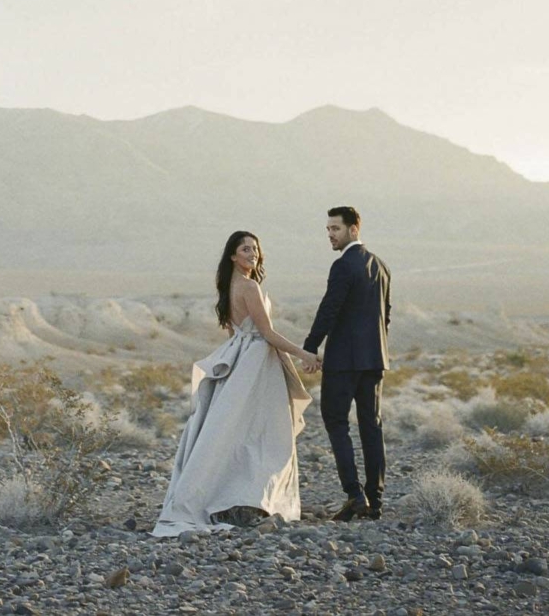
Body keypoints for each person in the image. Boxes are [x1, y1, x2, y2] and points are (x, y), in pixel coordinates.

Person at [151, 230, 319, 536]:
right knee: (264, 432)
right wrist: (302, 352)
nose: (252, 253)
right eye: (245, 249)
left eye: (255, 249)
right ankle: (250, 497)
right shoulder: (250, 286)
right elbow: (267, 333)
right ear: (233, 256)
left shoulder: (230, 287)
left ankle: (234, 496)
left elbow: (234, 333)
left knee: (231, 433)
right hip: (257, 363)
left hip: (243, 358)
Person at [302, 206, 392, 521]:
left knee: (336, 422)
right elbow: (386, 317)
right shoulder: (381, 266)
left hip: (343, 361)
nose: (330, 234)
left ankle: (355, 495)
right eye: (328, 229)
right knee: (372, 426)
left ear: (354, 229)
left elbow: (329, 309)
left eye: (335, 229)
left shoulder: (343, 266)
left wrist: (311, 346)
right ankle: (375, 501)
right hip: (375, 360)